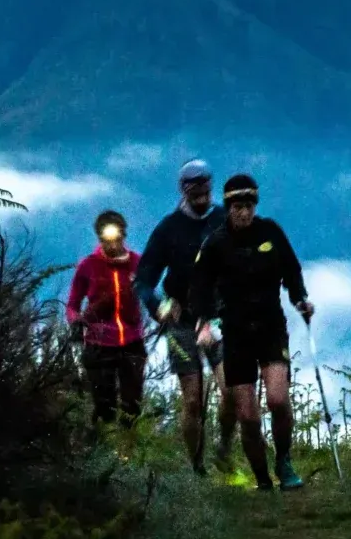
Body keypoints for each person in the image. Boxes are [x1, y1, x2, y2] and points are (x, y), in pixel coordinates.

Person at [200, 172, 313, 490]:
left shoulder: (270, 232)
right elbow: (200, 286)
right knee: (248, 415)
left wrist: (300, 298)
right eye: (237, 205)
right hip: (235, 334)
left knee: (278, 399)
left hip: (270, 327)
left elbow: (291, 269)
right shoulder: (216, 243)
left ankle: (284, 461)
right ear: (228, 207)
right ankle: (263, 479)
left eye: (249, 205)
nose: (244, 212)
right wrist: (206, 322)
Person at [134, 159, 229, 474]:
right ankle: (197, 467)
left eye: (205, 187)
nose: (202, 193)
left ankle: (224, 450)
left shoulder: (223, 220)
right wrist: (159, 307)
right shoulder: (168, 228)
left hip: (218, 318)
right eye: (195, 188)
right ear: (184, 190)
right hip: (182, 322)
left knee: (229, 391)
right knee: (192, 400)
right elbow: (144, 280)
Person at [66, 209, 147, 431]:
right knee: (105, 407)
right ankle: (102, 452)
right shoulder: (88, 265)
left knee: (132, 406)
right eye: (107, 241)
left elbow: (149, 294)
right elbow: (72, 305)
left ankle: (128, 454)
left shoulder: (138, 263)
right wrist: (75, 322)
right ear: (100, 240)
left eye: (117, 239)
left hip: (132, 342)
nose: (113, 245)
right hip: (98, 344)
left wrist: (163, 314)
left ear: (124, 236)